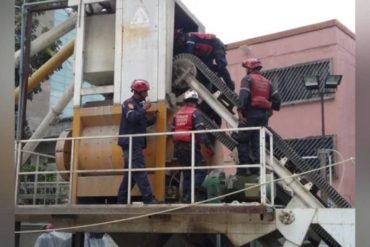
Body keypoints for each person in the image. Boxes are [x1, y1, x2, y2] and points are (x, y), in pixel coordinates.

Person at [236, 58, 281, 175]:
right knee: (258, 142)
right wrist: (269, 108)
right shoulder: (268, 82)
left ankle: (244, 168)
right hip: (263, 116)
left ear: (250, 68)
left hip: (250, 114)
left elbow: (244, 97)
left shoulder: (247, 79)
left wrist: (240, 111)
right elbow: (277, 102)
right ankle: (257, 169)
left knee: (243, 140)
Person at [117, 79, 158, 204]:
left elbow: (141, 122)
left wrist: (153, 120)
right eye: (145, 92)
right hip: (131, 143)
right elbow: (132, 117)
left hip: (136, 143)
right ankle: (148, 199)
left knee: (130, 174)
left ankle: (121, 200)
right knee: (139, 170)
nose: (147, 94)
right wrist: (145, 109)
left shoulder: (138, 105)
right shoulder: (128, 103)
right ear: (139, 92)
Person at [172, 89, 214, 203]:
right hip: (189, 146)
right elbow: (200, 130)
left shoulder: (177, 113)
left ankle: (186, 196)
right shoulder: (195, 112)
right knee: (200, 170)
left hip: (178, 146)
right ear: (196, 101)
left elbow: (172, 130)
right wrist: (208, 145)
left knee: (187, 172)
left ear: (185, 101)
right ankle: (191, 193)